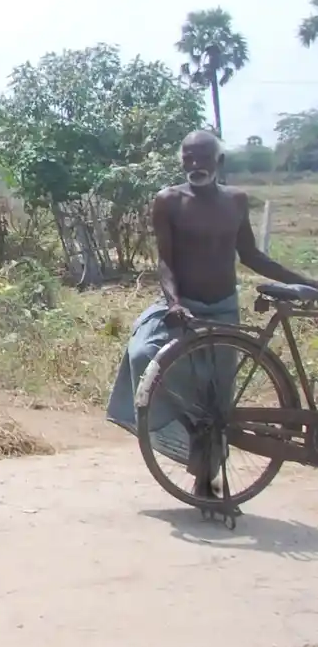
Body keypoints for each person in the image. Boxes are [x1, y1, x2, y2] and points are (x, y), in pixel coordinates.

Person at [106, 130, 318, 494]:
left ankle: (206, 482)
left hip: (222, 310)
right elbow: (166, 262)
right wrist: (174, 303)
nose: (194, 164)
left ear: (219, 162)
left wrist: (306, 282)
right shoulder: (168, 201)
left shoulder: (236, 201)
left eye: (202, 157)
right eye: (188, 157)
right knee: (143, 353)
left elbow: (251, 256)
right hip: (181, 306)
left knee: (218, 401)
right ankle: (184, 431)